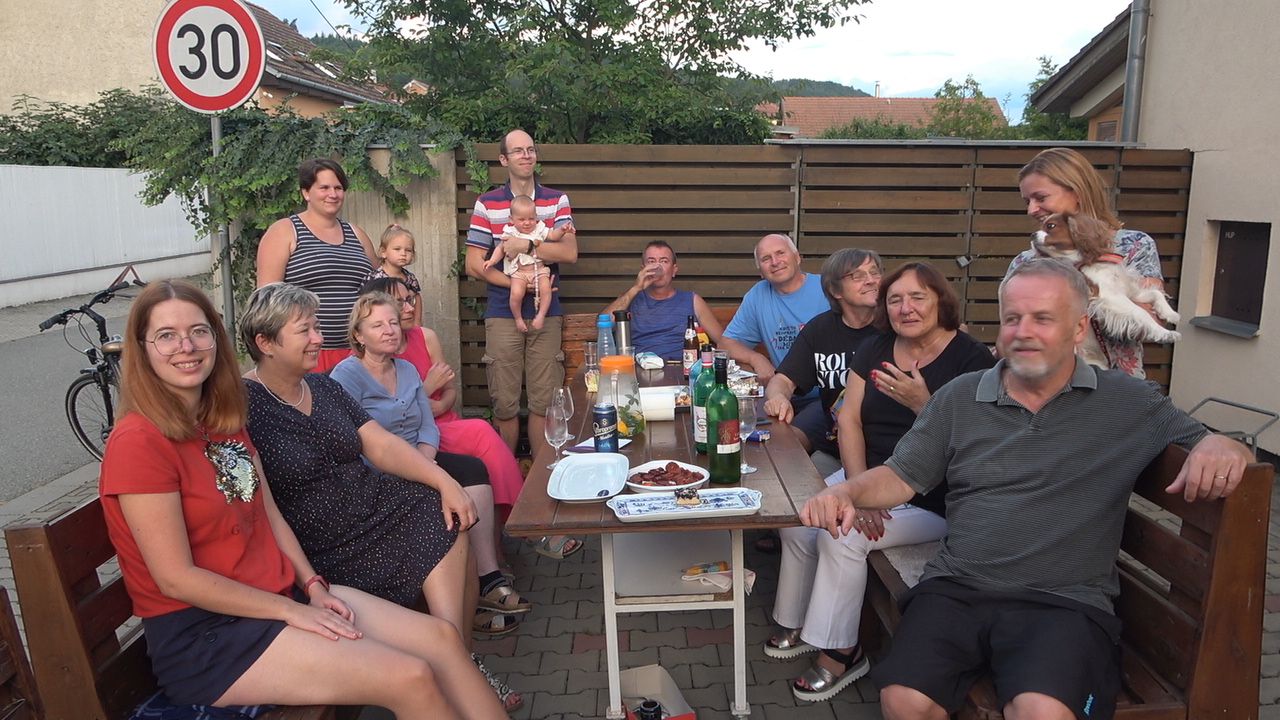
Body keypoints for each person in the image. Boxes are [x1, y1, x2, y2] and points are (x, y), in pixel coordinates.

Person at [800, 258, 1253, 720]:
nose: (1024, 332)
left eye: (1043, 318)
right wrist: (847, 493)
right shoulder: (960, 396)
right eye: (1013, 318)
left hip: (1063, 601)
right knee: (902, 699)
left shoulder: (1128, 402)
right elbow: (900, 476)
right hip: (958, 587)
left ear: (1078, 328)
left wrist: (1223, 445)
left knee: (1040, 711)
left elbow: (1211, 441)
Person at [99, 279, 503, 717]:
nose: (187, 346)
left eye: (199, 331)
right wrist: (290, 610)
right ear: (142, 348)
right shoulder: (139, 442)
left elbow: (270, 515)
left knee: (442, 640)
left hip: (279, 595)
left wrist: (311, 584)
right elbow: (176, 579)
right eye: (166, 336)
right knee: (410, 676)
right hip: (211, 636)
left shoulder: (221, 422)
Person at [768, 262, 996, 703]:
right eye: (895, 300)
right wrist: (858, 490)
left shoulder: (971, 359)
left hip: (931, 495)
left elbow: (974, 443)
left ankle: (842, 651)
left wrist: (924, 404)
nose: (905, 308)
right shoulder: (876, 347)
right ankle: (796, 622)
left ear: (940, 301)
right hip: (871, 476)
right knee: (800, 519)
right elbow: (849, 419)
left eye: (917, 297)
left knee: (841, 535)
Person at [239, 283, 477, 649]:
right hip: (325, 541)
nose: (319, 339)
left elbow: (380, 444)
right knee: (444, 525)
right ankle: (453, 654)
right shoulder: (243, 407)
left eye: (317, 327)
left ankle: (453, 648)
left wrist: (444, 480)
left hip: (371, 508)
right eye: (305, 330)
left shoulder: (323, 387)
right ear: (265, 342)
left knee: (446, 511)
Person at [330, 293, 531, 639]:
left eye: (393, 322)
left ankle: (488, 577)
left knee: (473, 472)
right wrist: (418, 469)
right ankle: (452, 609)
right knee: (439, 495)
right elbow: (350, 441)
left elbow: (427, 424)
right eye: (378, 325)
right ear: (358, 335)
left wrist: (425, 459)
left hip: (421, 456)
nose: (390, 330)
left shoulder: (407, 370)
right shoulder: (346, 376)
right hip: (378, 469)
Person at [362, 276, 584, 562]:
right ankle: (527, 526)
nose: (409, 307)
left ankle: (507, 544)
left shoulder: (426, 337)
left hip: (445, 423)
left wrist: (435, 403)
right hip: (418, 434)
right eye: (400, 302)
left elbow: (450, 392)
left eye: (410, 299)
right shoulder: (372, 360)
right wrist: (425, 393)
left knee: (485, 445)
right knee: (482, 432)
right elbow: (393, 417)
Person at [465, 128, 578, 458]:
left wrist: (527, 245)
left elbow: (569, 252)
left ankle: (540, 479)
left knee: (544, 403)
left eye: (530, 149)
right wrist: (518, 283)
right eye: (518, 150)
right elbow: (474, 264)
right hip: (503, 312)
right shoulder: (487, 203)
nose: (526, 155)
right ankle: (507, 478)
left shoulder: (556, 200)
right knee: (505, 404)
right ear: (504, 159)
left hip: (546, 312)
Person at [1009, 146, 1164, 378]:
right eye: (1027, 201)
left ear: (1078, 193)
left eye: (1040, 198)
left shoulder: (1133, 245)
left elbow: (1150, 325)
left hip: (1114, 389)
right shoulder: (1025, 262)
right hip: (1043, 386)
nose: (1031, 209)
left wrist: (1091, 291)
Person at [762, 248, 883, 466]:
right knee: (783, 457)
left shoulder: (894, 328)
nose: (870, 281)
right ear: (836, 290)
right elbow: (783, 380)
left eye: (875, 273)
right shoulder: (821, 329)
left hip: (886, 453)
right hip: (835, 447)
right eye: (858, 276)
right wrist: (778, 398)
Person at [256, 158, 378, 373]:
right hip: (308, 353)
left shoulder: (357, 234)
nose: (333, 194)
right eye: (324, 188)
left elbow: (379, 286)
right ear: (306, 192)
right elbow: (267, 299)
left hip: (359, 353)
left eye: (338, 188)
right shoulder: (284, 231)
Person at [719, 232, 828, 396]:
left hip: (831, 398)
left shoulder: (827, 288)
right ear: (761, 272)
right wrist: (756, 359)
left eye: (780, 253)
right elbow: (726, 344)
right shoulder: (758, 296)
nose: (775, 262)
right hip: (784, 396)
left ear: (797, 257)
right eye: (766, 259)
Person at [601, 240, 726, 361]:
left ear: (674, 270)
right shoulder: (630, 298)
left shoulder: (692, 300)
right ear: (643, 269)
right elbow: (602, 324)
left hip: (683, 368)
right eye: (651, 261)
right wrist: (636, 288)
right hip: (641, 369)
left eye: (664, 261)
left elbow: (724, 342)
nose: (657, 267)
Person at [482, 196, 562, 333]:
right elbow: (501, 248)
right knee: (516, 294)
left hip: (539, 270)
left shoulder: (539, 229)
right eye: (521, 219)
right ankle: (518, 318)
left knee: (546, 290)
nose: (527, 223)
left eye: (531, 218)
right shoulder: (510, 232)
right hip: (519, 273)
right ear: (511, 219)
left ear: (536, 217)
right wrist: (493, 261)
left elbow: (554, 235)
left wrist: (563, 230)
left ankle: (541, 316)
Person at [366, 223, 423, 327]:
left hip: (407, 326)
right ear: (383, 252)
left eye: (408, 250)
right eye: (397, 249)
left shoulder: (410, 278)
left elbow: (417, 298)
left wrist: (417, 322)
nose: (403, 254)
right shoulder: (375, 278)